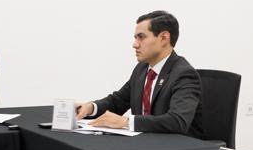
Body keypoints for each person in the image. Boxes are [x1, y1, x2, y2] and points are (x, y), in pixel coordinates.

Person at [76, 10, 204, 136]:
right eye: (135, 38)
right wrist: (91, 108)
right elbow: (117, 101)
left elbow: (177, 121)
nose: (135, 44)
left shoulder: (184, 74)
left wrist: (126, 122)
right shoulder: (142, 69)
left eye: (141, 37)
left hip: (178, 146)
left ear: (164, 38)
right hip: (143, 143)